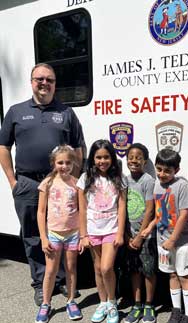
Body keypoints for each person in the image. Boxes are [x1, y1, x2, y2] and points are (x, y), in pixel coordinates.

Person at [0, 63, 84, 306]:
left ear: (55, 84)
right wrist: (13, 181)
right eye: (39, 79)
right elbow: (4, 147)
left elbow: (78, 148)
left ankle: (58, 280)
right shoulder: (16, 112)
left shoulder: (67, 112)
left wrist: (74, 181)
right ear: (31, 82)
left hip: (59, 184)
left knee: (61, 230)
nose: (44, 83)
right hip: (27, 184)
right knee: (33, 235)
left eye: (49, 79)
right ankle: (40, 283)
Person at [142, 149, 188, 323]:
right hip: (163, 241)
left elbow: (184, 214)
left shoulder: (182, 185)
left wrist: (173, 239)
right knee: (171, 275)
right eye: (159, 169)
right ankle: (176, 310)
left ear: (176, 170)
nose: (162, 174)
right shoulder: (157, 185)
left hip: (180, 241)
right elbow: (159, 213)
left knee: (184, 276)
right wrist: (151, 226)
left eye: (167, 171)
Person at [77, 139, 126, 323]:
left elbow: (122, 206)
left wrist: (120, 232)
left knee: (107, 267)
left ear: (112, 158)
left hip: (111, 229)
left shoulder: (119, 178)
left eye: (106, 157)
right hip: (92, 230)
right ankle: (103, 302)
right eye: (98, 157)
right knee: (97, 268)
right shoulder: (85, 179)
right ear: (92, 158)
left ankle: (112, 302)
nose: (102, 161)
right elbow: (82, 208)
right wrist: (83, 235)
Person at [35, 145, 82, 323]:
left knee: (71, 268)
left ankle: (71, 300)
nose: (64, 166)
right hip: (53, 234)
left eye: (68, 162)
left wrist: (82, 234)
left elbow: (81, 210)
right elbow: (40, 212)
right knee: (51, 270)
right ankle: (46, 304)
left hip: (73, 233)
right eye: (60, 162)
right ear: (54, 163)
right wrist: (43, 237)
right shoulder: (47, 184)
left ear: (73, 163)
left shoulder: (77, 183)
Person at [123, 143, 157, 323]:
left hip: (145, 237)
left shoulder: (148, 181)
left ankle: (149, 304)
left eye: (138, 157)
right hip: (129, 236)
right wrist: (128, 236)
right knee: (134, 271)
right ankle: (137, 304)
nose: (134, 160)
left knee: (148, 271)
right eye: (131, 157)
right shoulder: (125, 180)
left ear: (145, 161)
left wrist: (140, 236)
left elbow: (150, 210)